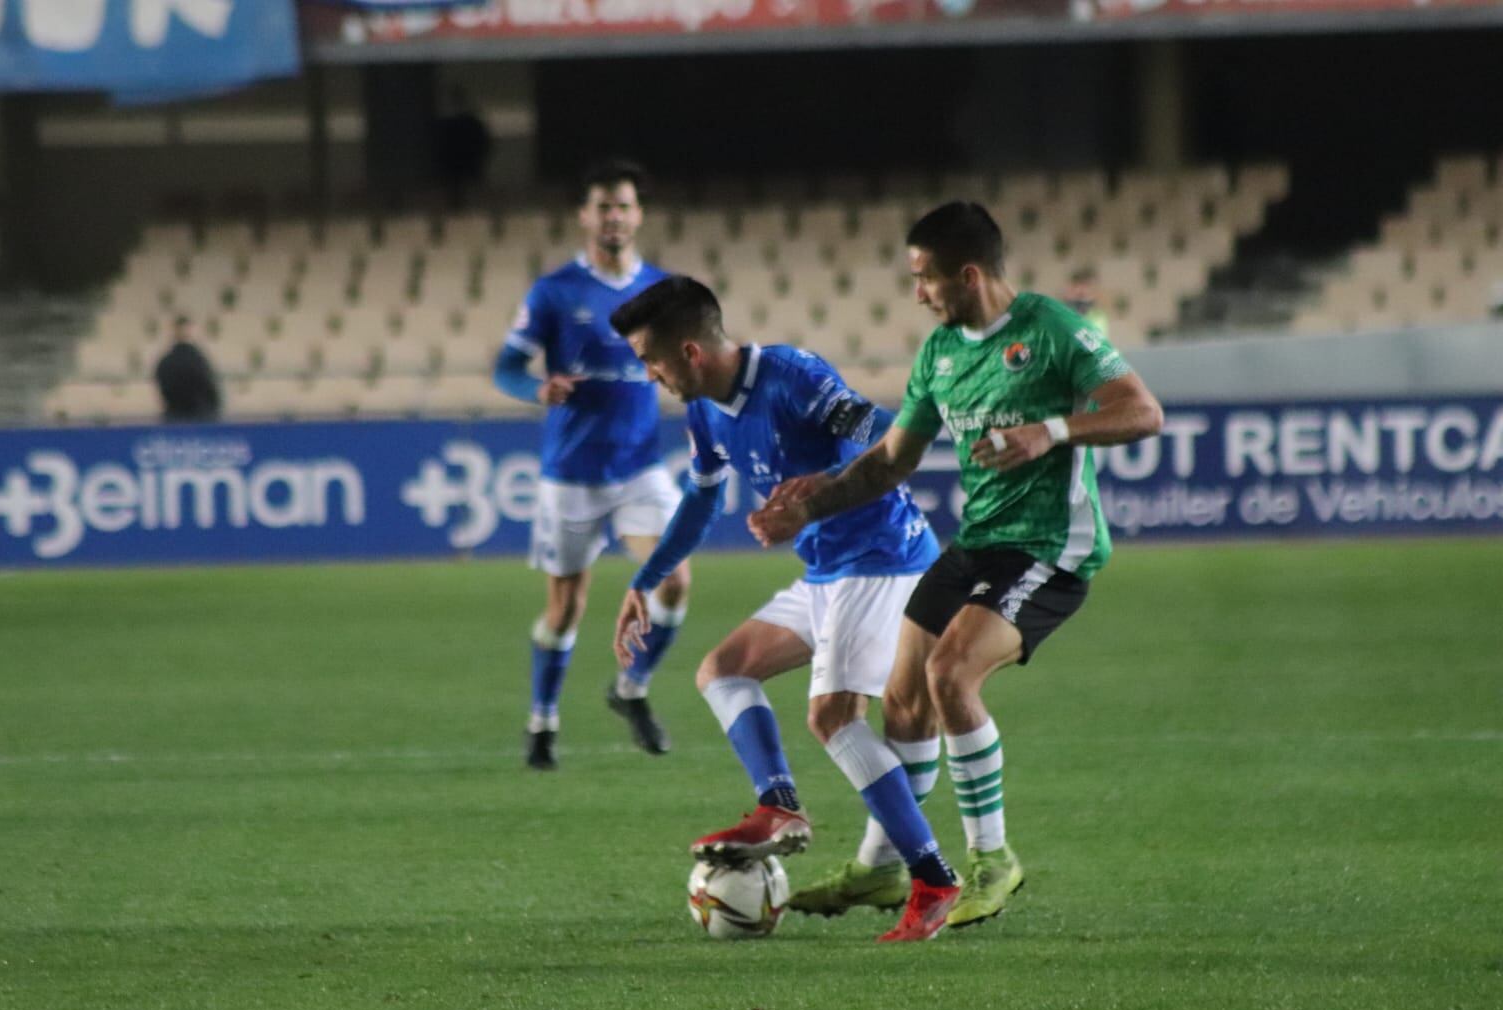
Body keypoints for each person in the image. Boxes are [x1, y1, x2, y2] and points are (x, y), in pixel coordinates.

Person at [750, 202, 1163, 929]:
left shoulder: (1053, 330)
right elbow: (889, 462)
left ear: (967, 275)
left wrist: (1053, 431)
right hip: (973, 542)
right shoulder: (940, 352)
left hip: (1047, 549)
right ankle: (882, 868)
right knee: (902, 697)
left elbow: (1142, 412)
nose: (918, 294)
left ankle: (992, 861)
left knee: (950, 676)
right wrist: (807, 507)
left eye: (925, 278)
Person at [608, 276, 962, 943]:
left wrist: (826, 483)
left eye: (650, 360)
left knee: (832, 717)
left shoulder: (792, 375)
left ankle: (935, 878)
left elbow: (888, 433)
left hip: (882, 559)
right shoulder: (706, 410)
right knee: (722, 670)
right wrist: (647, 577)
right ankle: (779, 806)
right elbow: (703, 498)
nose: (649, 374)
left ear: (689, 351)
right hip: (828, 570)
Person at [492, 159, 688, 771]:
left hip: (639, 469)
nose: (614, 217)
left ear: (639, 216)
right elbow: (505, 367)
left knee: (674, 582)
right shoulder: (554, 292)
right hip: (571, 475)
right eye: (603, 207)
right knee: (566, 608)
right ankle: (542, 720)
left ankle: (631, 688)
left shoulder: (662, 291)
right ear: (585, 216)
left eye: (624, 206)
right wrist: (536, 390)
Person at [153, 315, 221, 423]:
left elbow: (162, 385)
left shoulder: (167, 361)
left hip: (174, 416)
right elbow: (210, 387)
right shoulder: (199, 360)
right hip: (201, 416)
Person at [1062, 266, 1110, 336]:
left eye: (1087, 286)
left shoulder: (1099, 317)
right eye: (1076, 286)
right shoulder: (1061, 313)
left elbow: (1100, 341)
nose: (1082, 290)